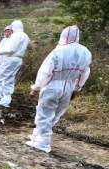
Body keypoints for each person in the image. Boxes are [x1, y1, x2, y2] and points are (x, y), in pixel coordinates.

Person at [26, 25, 91, 153]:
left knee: (44, 113)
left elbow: (46, 71)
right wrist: (77, 89)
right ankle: (37, 135)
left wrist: (36, 88)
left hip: (53, 85)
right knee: (56, 113)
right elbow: (85, 73)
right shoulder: (85, 52)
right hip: (69, 86)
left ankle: (44, 142)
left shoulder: (58, 51)